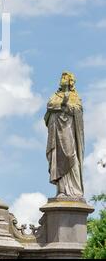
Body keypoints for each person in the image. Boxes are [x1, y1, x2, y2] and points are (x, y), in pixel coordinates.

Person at [44, 71, 84, 199]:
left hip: (68, 130)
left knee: (71, 155)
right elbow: (50, 106)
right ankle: (61, 190)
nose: (63, 79)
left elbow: (77, 110)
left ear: (71, 80)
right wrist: (61, 104)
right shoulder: (55, 96)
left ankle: (75, 190)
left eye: (65, 77)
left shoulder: (75, 96)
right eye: (61, 76)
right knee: (58, 158)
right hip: (56, 132)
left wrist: (65, 105)